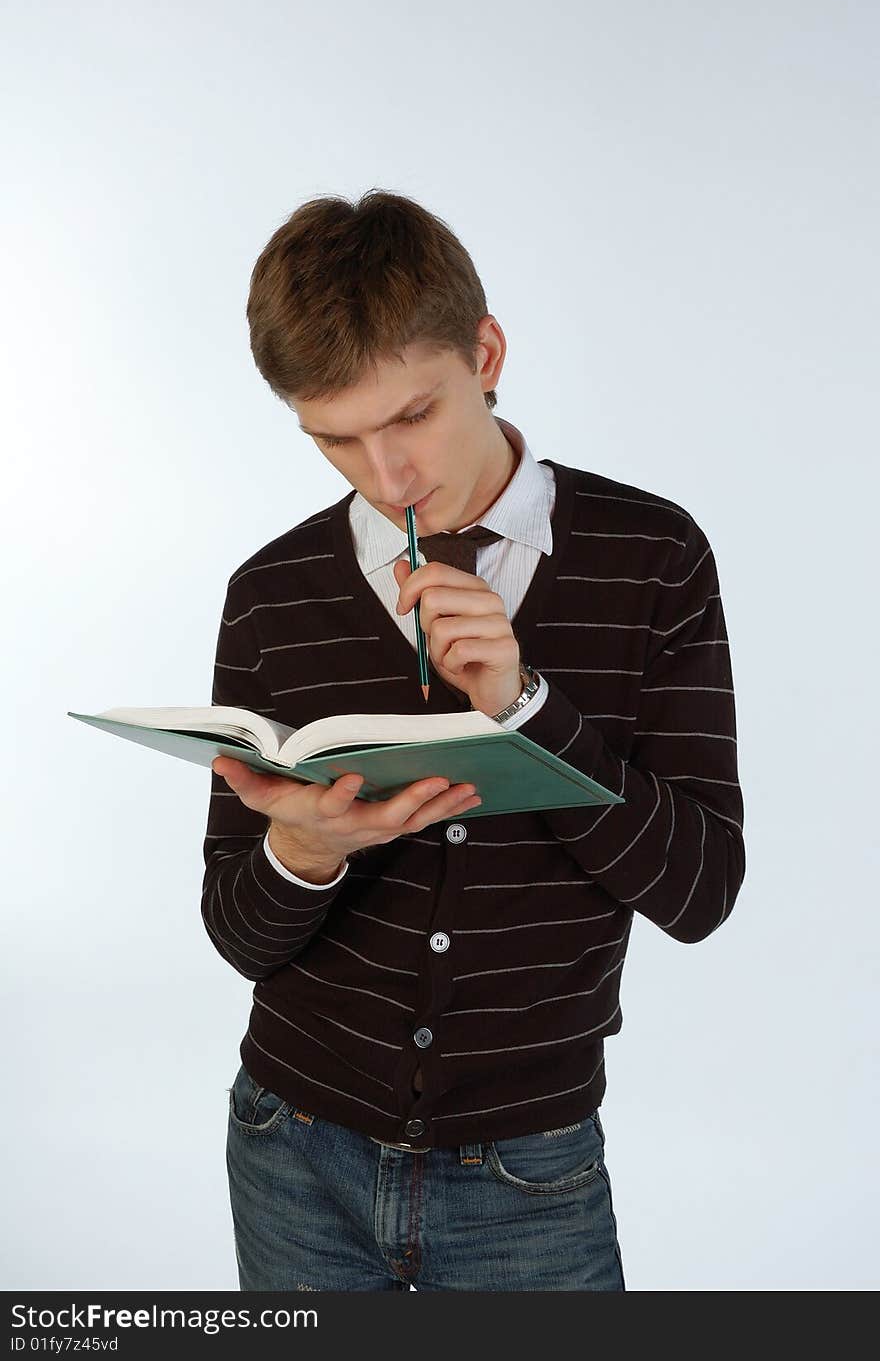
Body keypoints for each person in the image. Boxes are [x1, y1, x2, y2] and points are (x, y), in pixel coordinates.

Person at [202, 189, 746, 1292]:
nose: (387, 476)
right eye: (335, 438)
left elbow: (701, 890)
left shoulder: (653, 558)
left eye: (412, 416)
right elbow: (238, 934)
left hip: (527, 1173)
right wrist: (300, 854)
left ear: (486, 351)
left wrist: (526, 705)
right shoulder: (269, 592)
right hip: (288, 1147)